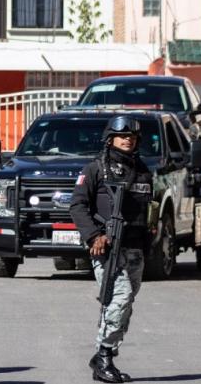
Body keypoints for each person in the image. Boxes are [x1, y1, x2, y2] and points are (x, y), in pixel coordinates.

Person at [70, 115, 155, 383]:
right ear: (110, 139)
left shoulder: (142, 170)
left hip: (135, 248)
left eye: (132, 137)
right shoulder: (95, 169)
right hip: (107, 248)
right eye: (122, 136)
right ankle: (104, 355)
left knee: (125, 304)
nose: (128, 140)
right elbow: (77, 206)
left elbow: (148, 207)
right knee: (119, 298)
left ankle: (104, 357)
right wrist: (93, 236)